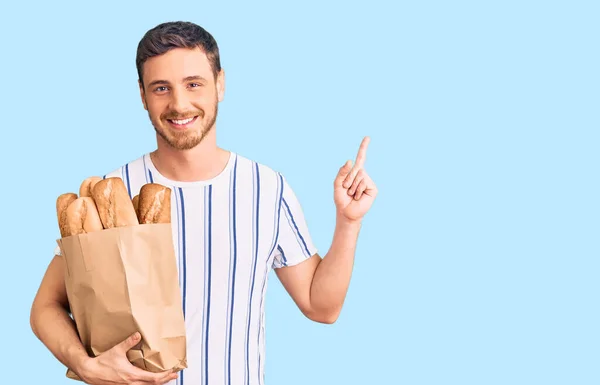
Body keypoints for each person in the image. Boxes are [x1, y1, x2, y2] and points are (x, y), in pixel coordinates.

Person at [30, 21, 377, 385]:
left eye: (193, 84)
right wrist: (84, 365)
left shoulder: (265, 188)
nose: (179, 104)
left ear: (220, 84)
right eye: (161, 88)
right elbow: (45, 306)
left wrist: (348, 222)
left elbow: (321, 306)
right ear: (142, 95)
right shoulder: (110, 193)